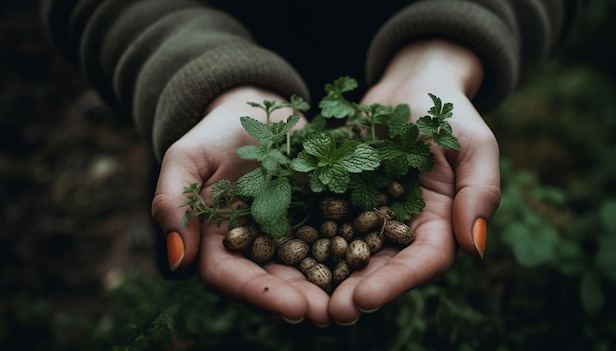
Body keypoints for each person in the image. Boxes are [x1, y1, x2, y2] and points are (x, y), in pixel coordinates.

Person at [41, 0, 582, 326]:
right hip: (233, 152)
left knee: (373, 304)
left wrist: (442, 54)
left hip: (384, 128)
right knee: (213, 268)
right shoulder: (267, 185)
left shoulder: (375, 186)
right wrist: (206, 77)